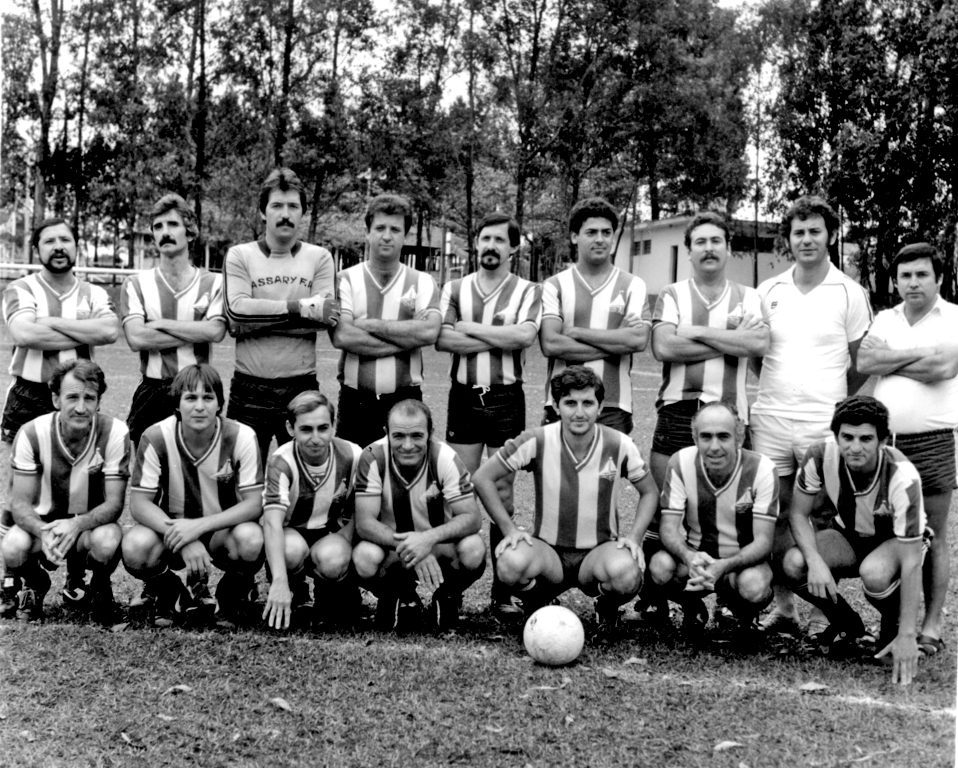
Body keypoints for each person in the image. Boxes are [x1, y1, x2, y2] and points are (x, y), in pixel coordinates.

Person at [751, 195, 873, 637]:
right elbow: (755, 358)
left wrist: (833, 404)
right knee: (777, 512)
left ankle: (823, 612)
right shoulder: (769, 291)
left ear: (831, 236)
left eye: (814, 231)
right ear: (789, 238)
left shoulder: (850, 292)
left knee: (819, 516)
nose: (806, 239)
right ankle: (785, 608)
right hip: (771, 419)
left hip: (822, 421)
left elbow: (860, 363)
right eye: (798, 232)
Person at [639, 211, 769, 624]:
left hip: (730, 418)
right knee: (665, 514)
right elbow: (664, 348)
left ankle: (733, 603)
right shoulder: (673, 294)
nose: (709, 248)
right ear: (689, 250)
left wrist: (693, 332)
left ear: (728, 249)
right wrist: (729, 342)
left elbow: (759, 341)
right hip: (679, 412)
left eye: (717, 240)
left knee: (734, 512)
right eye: (701, 242)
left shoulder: (749, 297)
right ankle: (660, 599)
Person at [473, 366, 659, 635]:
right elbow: (482, 478)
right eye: (570, 402)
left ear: (600, 406)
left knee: (627, 574)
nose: (580, 412)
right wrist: (509, 529)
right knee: (509, 563)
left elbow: (650, 491)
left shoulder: (619, 444)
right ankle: (538, 600)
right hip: (549, 556)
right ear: (557, 406)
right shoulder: (538, 440)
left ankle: (606, 607)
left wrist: (634, 538)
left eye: (588, 403)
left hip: (597, 554)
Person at [1, 218, 119, 616]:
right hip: (29, 394)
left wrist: (49, 323)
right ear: (37, 249)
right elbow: (25, 334)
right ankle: (16, 582)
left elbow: (108, 332)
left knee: (82, 487)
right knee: (17, 494)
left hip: (78, 395)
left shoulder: (94, 292)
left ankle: (76, 578)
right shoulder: (20, 288)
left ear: (76, 247)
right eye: (48, 240)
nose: (57, 246)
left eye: (65, 239)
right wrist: (82, 332)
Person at [436, 212, 542, 619]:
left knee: (501, 495)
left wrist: (469, 328)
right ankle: (453, 587)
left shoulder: (527, 290)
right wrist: (491, 334)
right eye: (484, 239)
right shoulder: (456, 287)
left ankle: (502, 589)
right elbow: (442, 338)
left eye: (499, 240)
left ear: (513, 247)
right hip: (464, 397)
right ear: (475, 244)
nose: (490, 246)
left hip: (505, 399)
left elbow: (524, 336)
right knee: (456, 492)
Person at [781, 396, 929, 686]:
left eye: (866, 438)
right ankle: (846, 622)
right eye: (847, 437)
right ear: (836, 436)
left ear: (883, 440)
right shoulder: (820, 455)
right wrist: (815, 562)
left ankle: (895, 624)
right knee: (794, 562)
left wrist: (909, 635)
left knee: (873, 573)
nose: (855, 447)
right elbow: (798, 514)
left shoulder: (902, 476)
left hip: (896, 543)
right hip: (848, 536)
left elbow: (912, 562)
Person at [857, 242, 958, 658]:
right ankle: (894, 626)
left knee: (933, 535)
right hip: (887, 446)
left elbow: (945, 368)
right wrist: (917, 354)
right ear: (896, 280)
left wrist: (890, 359)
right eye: (905, 275)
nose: (913, 282)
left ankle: (931, 625)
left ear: (938, 278)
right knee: (892, 534)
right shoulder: (886, 317)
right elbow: (865, 362)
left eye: (921, 274)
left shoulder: (953, 317)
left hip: (932, 442)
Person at [122, 364, 264, 628]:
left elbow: (255, 504)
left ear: (220, 403)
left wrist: (198, 527)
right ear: (177, 404)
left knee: (251, 539)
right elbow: (139, 505)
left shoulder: (241, 436)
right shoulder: (155, 437)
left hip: (222, 532)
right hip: (172, 532)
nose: (200, 406)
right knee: (135, 546)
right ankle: (171, 590)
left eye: (208, 398)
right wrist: (183, 537)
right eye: (191, 398)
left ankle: (230, 594)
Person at [223, 167, 339, 465]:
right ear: (263, 212)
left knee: (303, 475)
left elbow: (324, 318)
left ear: (303, 213)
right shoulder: (240, 255)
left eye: (292, 206)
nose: (285, 214)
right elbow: (236, 312)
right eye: (276, 205)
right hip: (249, 386)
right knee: (242, 478)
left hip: (300, 385)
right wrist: (301, 307)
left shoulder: (320, 257)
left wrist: (255, 320)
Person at [1, 360, 129, 624]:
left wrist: (75, 525)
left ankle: (98, 588)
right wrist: (42, 531)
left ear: (98, 401)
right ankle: (37, 582)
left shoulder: (115, 432)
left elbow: (115, 504)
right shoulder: (32, 432)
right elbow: (20, 504)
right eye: (72, 397)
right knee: (13, 545)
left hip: (85, 530)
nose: (81, 407)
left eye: (89, 398)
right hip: (44, 528)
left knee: (108, 539)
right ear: (56, 399)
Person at [351, 400, 486, 631]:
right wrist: (414, 546)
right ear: (387, 433)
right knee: (364, 557)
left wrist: (427, 540)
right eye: (399, 436)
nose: (407, 445)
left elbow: (472, 518)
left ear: (430, 433)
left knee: (473, 549)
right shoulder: (373, 456)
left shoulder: (444, 457)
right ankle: (398, 595)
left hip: (438, 548)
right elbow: (364, 524)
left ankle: (447, 596)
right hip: (393, 550)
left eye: (416, 435)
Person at [649, 402, 778, 637]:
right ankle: (692, 606)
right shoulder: (680, 462)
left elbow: (763, 542)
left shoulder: (762, 469)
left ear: (738, 437)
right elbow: (668, 529)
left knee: (754, 587)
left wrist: (725, 565)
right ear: (695, 437)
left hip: (741, 564)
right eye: (706, 437)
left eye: (723, 436)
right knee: (660, 568)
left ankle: (742, 613)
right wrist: (689, 557)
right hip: (697, 558)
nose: (714, 446)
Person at [331, 194, 442, 448]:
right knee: (354, 479)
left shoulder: (422, 281)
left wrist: (366, 324)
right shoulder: (345, 279)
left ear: (405, 235)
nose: (387, 235)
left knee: (403, 479)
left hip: (406, 399)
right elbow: (342, 336)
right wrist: (408, 339)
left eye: (395, 229)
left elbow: (429, 333)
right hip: (355, 401)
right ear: (367, 232)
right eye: (380, 228)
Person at [539, 197, 651, 435]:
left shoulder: (633, 285)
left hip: (613, 407)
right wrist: (617, 340)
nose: (600, 239)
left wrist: (577, 333)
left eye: (606, 232)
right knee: (557, 472)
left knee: (606, 474)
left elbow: (638, 341)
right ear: (574, 237)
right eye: (591, 232)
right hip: (562, 404)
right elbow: (551, 343)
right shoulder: (554, 285)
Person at [121, 193, 226, 447]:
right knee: (148, 475)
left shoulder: (214, 283)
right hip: (152, 390)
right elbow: (136, 338)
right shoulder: (136, 284)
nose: (164, 232)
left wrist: (160, 324)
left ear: (190, 233)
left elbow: (215, 332)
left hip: (197, 391)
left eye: (173, 224)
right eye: (158, 227)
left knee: (194, 475)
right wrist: (195, 330)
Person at [261, 392, 363, 630]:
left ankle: (330, 592)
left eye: (323, 428)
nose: (316, 438)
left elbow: (364, 506)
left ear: (333, 426)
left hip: (330, 533)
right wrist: (278, 581)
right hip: (291, 533)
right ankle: (295, 590)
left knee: (333, 559)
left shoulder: (352, 454)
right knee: (290, 550)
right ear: (290, 428)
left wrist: (344, 540)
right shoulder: (281, 461)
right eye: (306, 429)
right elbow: (272, 522)